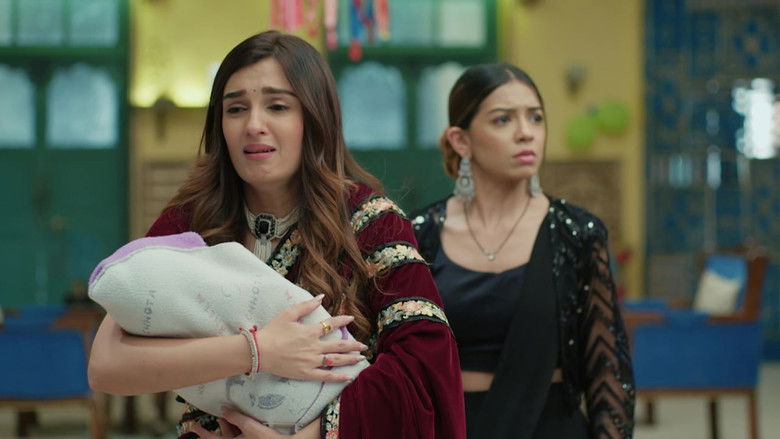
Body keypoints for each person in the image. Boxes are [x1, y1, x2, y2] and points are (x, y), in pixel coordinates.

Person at [88, 30, 465, 439]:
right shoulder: (192, 222)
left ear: (314, 118)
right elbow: (106, 366)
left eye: (278, 106)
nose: (254, 125)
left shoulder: (370, 222)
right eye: (236, 109)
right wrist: (259, 351)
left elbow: (424, 369)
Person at [410, 63, 635, 439]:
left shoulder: (577, 233)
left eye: (536, 118)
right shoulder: (419, 236)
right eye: (503, 120)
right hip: (450, 426)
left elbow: (607, 372)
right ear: (461, 141)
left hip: (549, 426)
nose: (526, 132)